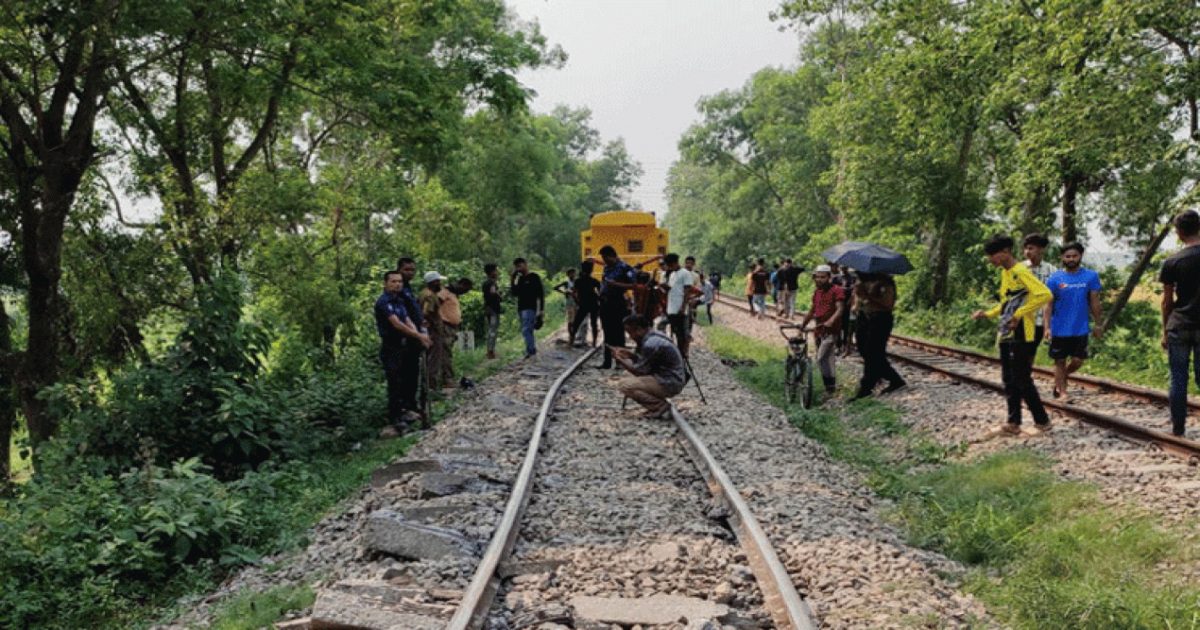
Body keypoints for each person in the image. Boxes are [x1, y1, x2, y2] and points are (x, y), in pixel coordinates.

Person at [971, 234, 1053, 436]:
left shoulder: (1020, 271)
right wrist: (988, 314)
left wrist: (1019, 314)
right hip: (1007, 331)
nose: (990, 259)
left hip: (1023, 331)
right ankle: (1013, 423)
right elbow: (1007, 303)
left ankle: (1042, 421)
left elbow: (1045, 294)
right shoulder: (1006, 273)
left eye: (993, 255)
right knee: (1008, 378)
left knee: (1022, 377)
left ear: (1005, 252)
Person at [1045, 243, 1103, 399]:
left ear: (1081, 256)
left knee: (1078, 360)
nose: (1071, 259)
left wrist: (1098, 324)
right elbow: (1048, 305)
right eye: (1068, 256)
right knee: (1060, 361)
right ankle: (1063, 393)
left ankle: (1060, 378)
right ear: (1062, 258)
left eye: (1074, 256)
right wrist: (1047, 327)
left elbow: (1095, 302)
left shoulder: (1091, 276)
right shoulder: (1054, 278)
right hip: (1059, 328)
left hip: (1081, 328)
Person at [374, 270, 431, 429]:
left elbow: (407, 320)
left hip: (403, 345)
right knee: (395, 382)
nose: (397, 284)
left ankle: (407, 409)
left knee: (407, 378)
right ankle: (395, 417)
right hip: (391, 347)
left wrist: (419, 335)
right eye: (393, 281)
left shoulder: (399, 300)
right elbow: (397, 324)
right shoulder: (383, 302)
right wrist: (419, 336)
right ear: (385, 283)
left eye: (399, 281)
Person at [1160, 210, 1200, 437]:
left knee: (1178, 378)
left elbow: (1167, 302)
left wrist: (1165, 331)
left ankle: (1178, 429)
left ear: (1179, 232)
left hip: (1179, 325)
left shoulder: (1172, 261)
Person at [611, 314, 687, 418]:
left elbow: (640, 371)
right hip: (669, 377)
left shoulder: (650, 344)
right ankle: (658, 404)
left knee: (624, 385)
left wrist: (620, 360)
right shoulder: (653, 336)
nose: (630, 337)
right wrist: (631, 355)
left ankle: (660, 406)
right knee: (627, 375)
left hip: (669, 382)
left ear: (638, 329)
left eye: (630, 333)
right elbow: (647, 361)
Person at [853, 272, 906, 399]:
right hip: (865, 318)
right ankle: (893, 379)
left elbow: (887, 305)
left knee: (873, 353)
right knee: (865, 350)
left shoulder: (886, 284)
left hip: (880, 319)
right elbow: (860, 300)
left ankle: (866, 387)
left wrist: (867, 296)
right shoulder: (862, 282)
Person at [798, 265, 845, 394]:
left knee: (821, 358)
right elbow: (812, 311)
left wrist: (831, 320)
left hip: (831, 331)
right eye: (817, 277)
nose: (819, 279)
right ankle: (830, 388)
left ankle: (830, 387)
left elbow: (840, 308)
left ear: (829, 277)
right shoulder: (817, 292)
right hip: (818, 330)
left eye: (822, 277)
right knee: (827, 360)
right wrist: (802, 326)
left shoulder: (837, 290)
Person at [395, 257, 430, 426]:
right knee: (405, 373)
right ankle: (404, 407)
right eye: (406, 270)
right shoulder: (398, 291)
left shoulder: (408, 288)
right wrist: (416, 333)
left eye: (412, 270)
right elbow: (402, 317)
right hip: (406, 338)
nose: (410, 273)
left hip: (416, 335)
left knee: (413, 372)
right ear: (399, 270)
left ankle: (412, 403)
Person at [597, 245, 636, 369]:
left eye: (606, 258)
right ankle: (607, 361)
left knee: (618, 333)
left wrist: (616, 284)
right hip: (605, 303)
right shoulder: (606, 268)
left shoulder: (625, 268)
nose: (604, 261)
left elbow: (633, 285)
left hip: (617, 302)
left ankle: (620, 361)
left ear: (612, 256)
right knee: (607, 333)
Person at [1022, 233, 1056, 356]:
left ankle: (1026, 369)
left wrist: (1048, 325)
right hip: (1022, 317)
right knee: (1019, 351)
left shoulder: (1051, 270)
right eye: (1026, 248)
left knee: (1031, 351)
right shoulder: (1020, 268)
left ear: (1041, 249)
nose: (1027, 251)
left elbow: (1052, 298)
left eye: (1031, 248)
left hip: (1040, 319)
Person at [663, 253, 698, 358]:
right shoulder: (672, 274)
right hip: (671, 308)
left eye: (670, 265)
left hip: (679, 309)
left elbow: (687, 292)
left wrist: (683, 307)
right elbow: (673, 289)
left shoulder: (685, 273)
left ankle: (681, 356)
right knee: (673, 332)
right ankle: (676, 355)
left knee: (681, 335)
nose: (669, 267)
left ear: (675, 263)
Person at [419, 271, 449, 391]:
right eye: (438, 281)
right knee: (434, 358)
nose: (440, 284)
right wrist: (435, 324)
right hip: (433, 331)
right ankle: (432, 387)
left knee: (429, 358)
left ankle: (428, 385)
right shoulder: (430, 296)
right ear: (433, 282)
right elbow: (427, 312)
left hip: (428, 329)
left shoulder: (423, 293)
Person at [510, 258, 544, 359]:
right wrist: (512, 279)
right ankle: (530, 349)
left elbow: (540, 294)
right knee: (527, 329)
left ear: (525, 264)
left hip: (531, 307)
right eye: (516, 267)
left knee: (526, 329)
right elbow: (514, 293)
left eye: (520, 266)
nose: (518, 269)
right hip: (521, 307)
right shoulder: (520, 279)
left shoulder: (534, 277)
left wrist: (541, 310)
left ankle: (531, 351)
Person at [570, 260, 602, 347]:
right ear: (591, 270)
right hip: (593, 304)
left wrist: (577, 302)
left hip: (583, 304)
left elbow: (573, 293)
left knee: (576, 323)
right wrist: (599, 300)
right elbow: (601, 293)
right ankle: (594, 343)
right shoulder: (594, 281)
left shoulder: (578, 281)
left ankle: (571, 341)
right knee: (594, 323)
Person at [554, 268, 585, 345]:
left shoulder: (577, 282)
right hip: (570, 303)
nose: (573, 275)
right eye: (571, 273)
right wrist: (564, 292)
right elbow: (555, 287)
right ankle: (571, 336)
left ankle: (577, 336)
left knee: (578, 320)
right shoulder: (566, 283)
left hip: (577, 303)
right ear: (568, 275)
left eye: (574, 273)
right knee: (570, 321)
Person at [482, 263, 503, 359]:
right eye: (495, 270)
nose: (497, 272)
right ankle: (490, 351)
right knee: (493, 329)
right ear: (492, 272)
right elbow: (493, 292)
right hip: (493, 309)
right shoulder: (491, 282)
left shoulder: (486, 282)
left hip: (488, 308)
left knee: (491, 329)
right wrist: (499, 295)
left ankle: (490, 350)